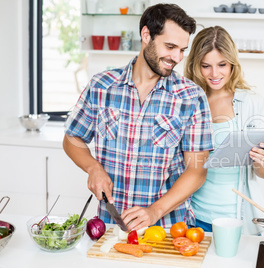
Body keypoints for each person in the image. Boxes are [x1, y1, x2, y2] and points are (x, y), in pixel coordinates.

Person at [63, 4, 214, 231]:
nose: (177, 57)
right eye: (170, 46)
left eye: (182, 49)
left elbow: (197, 171)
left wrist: (155, 211)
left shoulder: (191, 97)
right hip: (110, 226)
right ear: (146, 35)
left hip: (167, 229)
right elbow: (72, 140)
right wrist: (93, 168)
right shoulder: (102, 86)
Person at [184, 26, 264, 235]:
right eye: (206, 66)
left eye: (222, 65)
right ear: (195, 65)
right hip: (193, 217)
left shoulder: (252, 103)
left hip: (237, 221)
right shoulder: (187, 101)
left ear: (233, 64)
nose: (214, 74)